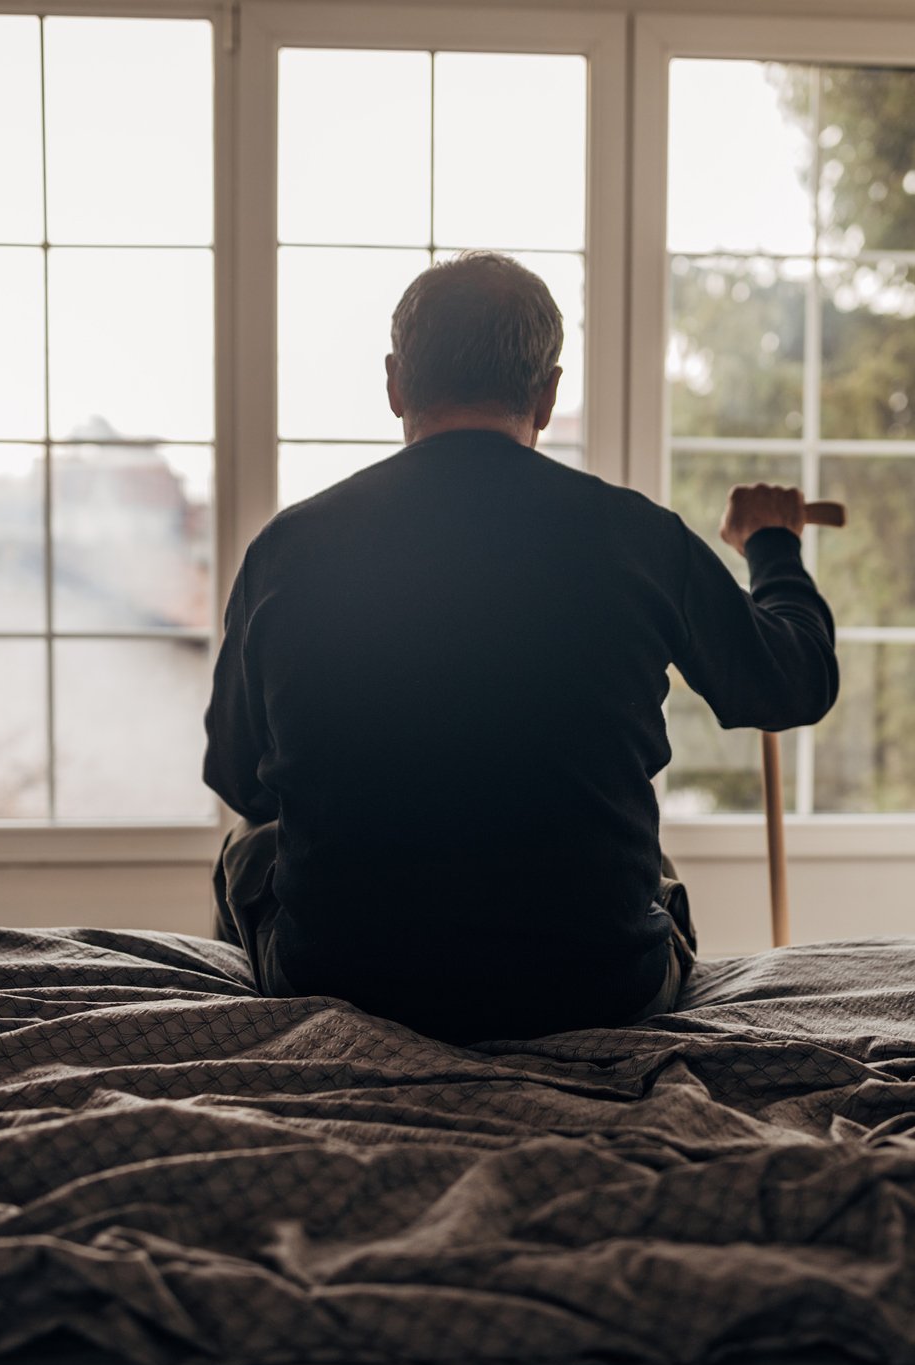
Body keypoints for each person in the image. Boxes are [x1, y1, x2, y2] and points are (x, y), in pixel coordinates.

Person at [204, 252, 837, 1043]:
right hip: (597, 986)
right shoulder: (638, 537)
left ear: (396, 382)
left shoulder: (289, 547)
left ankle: (277, 1051)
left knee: (248, 846)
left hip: (350, 982)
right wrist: (773, 545)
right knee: (650, 873)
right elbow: (792, 684)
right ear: (548, 392)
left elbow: (238, 776)